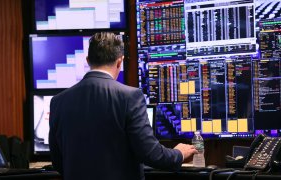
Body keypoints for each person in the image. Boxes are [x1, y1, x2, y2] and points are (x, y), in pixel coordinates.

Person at [49, 32, 197, 180]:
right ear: (120, 61)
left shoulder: (58, 101)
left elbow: (58, 162)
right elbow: (151, 154)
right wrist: (179, 153)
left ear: (88, 61)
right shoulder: (130, 96)